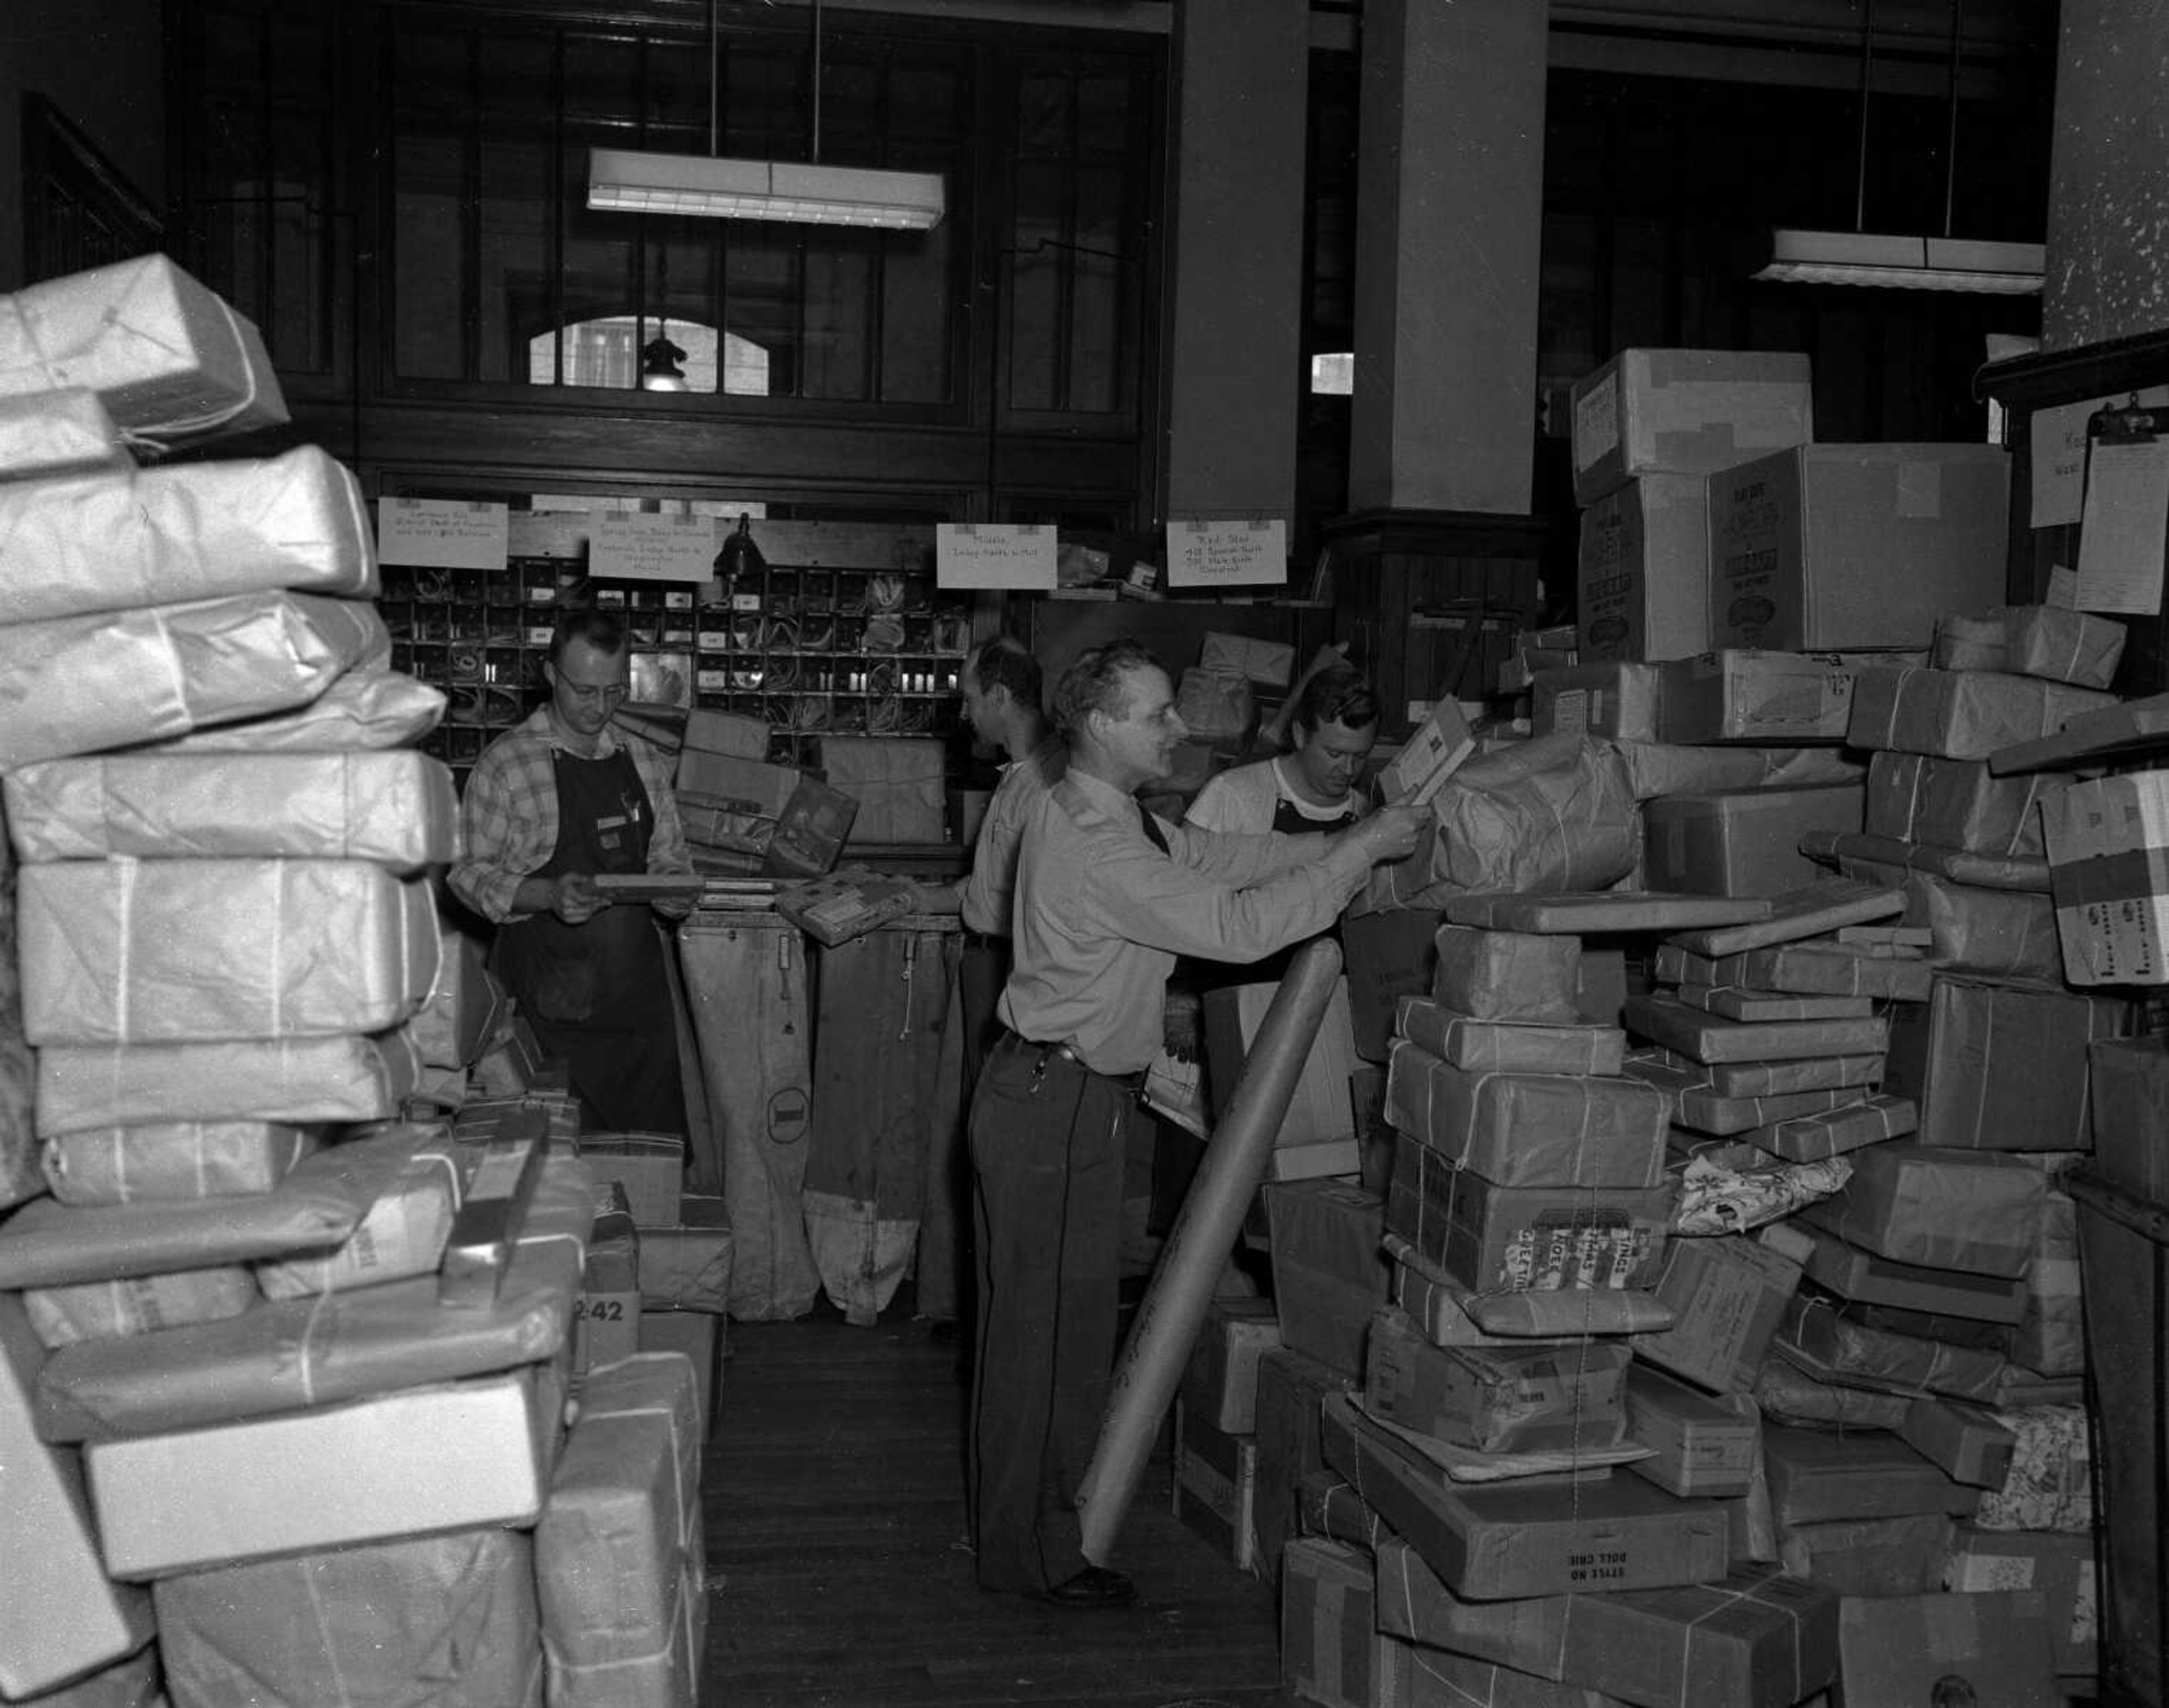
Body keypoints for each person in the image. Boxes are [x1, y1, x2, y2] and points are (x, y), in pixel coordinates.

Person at [966, 639, 1423, 1609]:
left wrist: (1345, 835)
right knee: (1037, 1348)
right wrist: (1357, 857)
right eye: (1158, 713)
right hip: (1051, 1103)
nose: (1179, 728)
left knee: (1067, 1336)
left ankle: (1046, 1538)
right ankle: (1028, 1558)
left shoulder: (1108, 810)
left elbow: (1219, 854)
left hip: (1068, 1096)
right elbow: (1239, 926)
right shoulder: (1096, 845)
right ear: (1099, 725)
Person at [448, 608, 698, 1136]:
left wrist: (676, 892)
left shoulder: (646, 761)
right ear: (550, 675)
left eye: (613, 692)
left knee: (646, 1161)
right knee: (548, 1172)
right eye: (584, 692)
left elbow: (669, 858)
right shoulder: (508, 764)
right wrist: (545, 894)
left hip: (635, 1010)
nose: (600, 708)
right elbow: (467, 875)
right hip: (546, 1011)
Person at [1182, 665, 1380, 836]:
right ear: (1300, 735)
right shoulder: (1231, 795)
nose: (1348, 770)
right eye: (1335, 754)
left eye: (1360, 756)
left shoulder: (1366, 815)